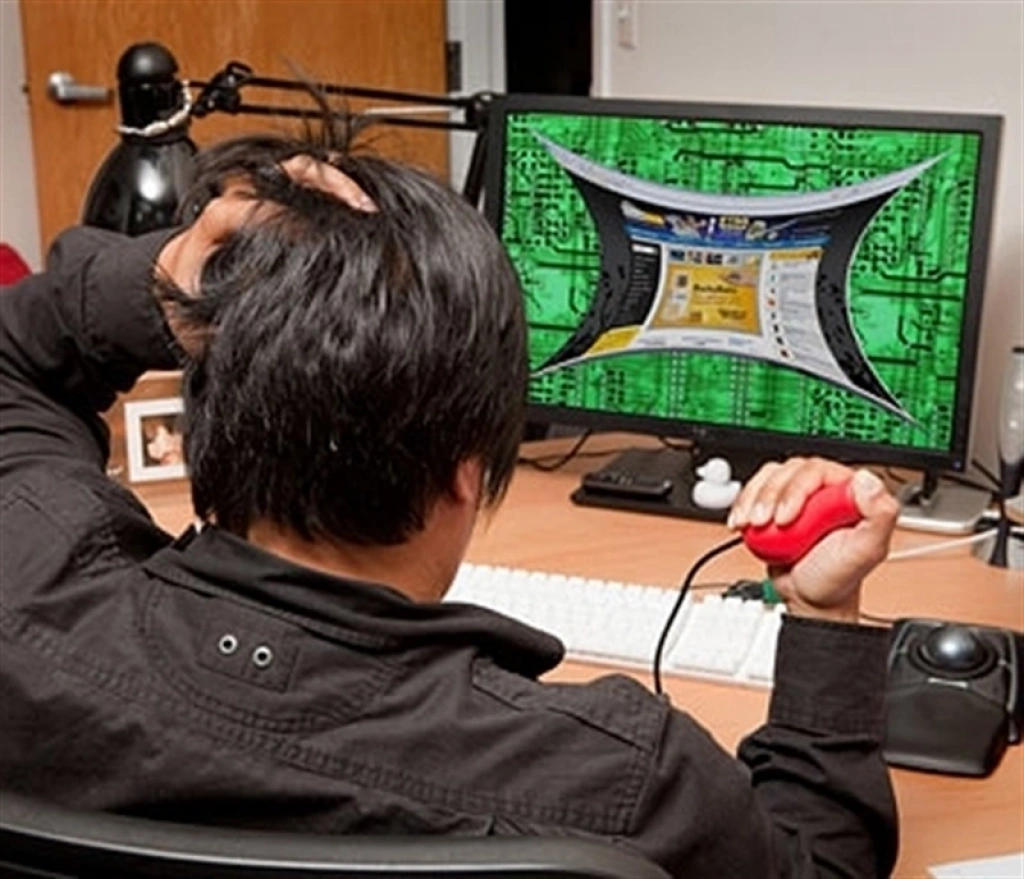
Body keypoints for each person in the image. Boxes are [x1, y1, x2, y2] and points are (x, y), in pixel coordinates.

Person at [0, 128, 901, 878]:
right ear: (467, 470)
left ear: (210, 417)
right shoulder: (629, 782)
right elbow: (823, 866)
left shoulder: (29, 582)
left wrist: (163, 276)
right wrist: (824, 615)